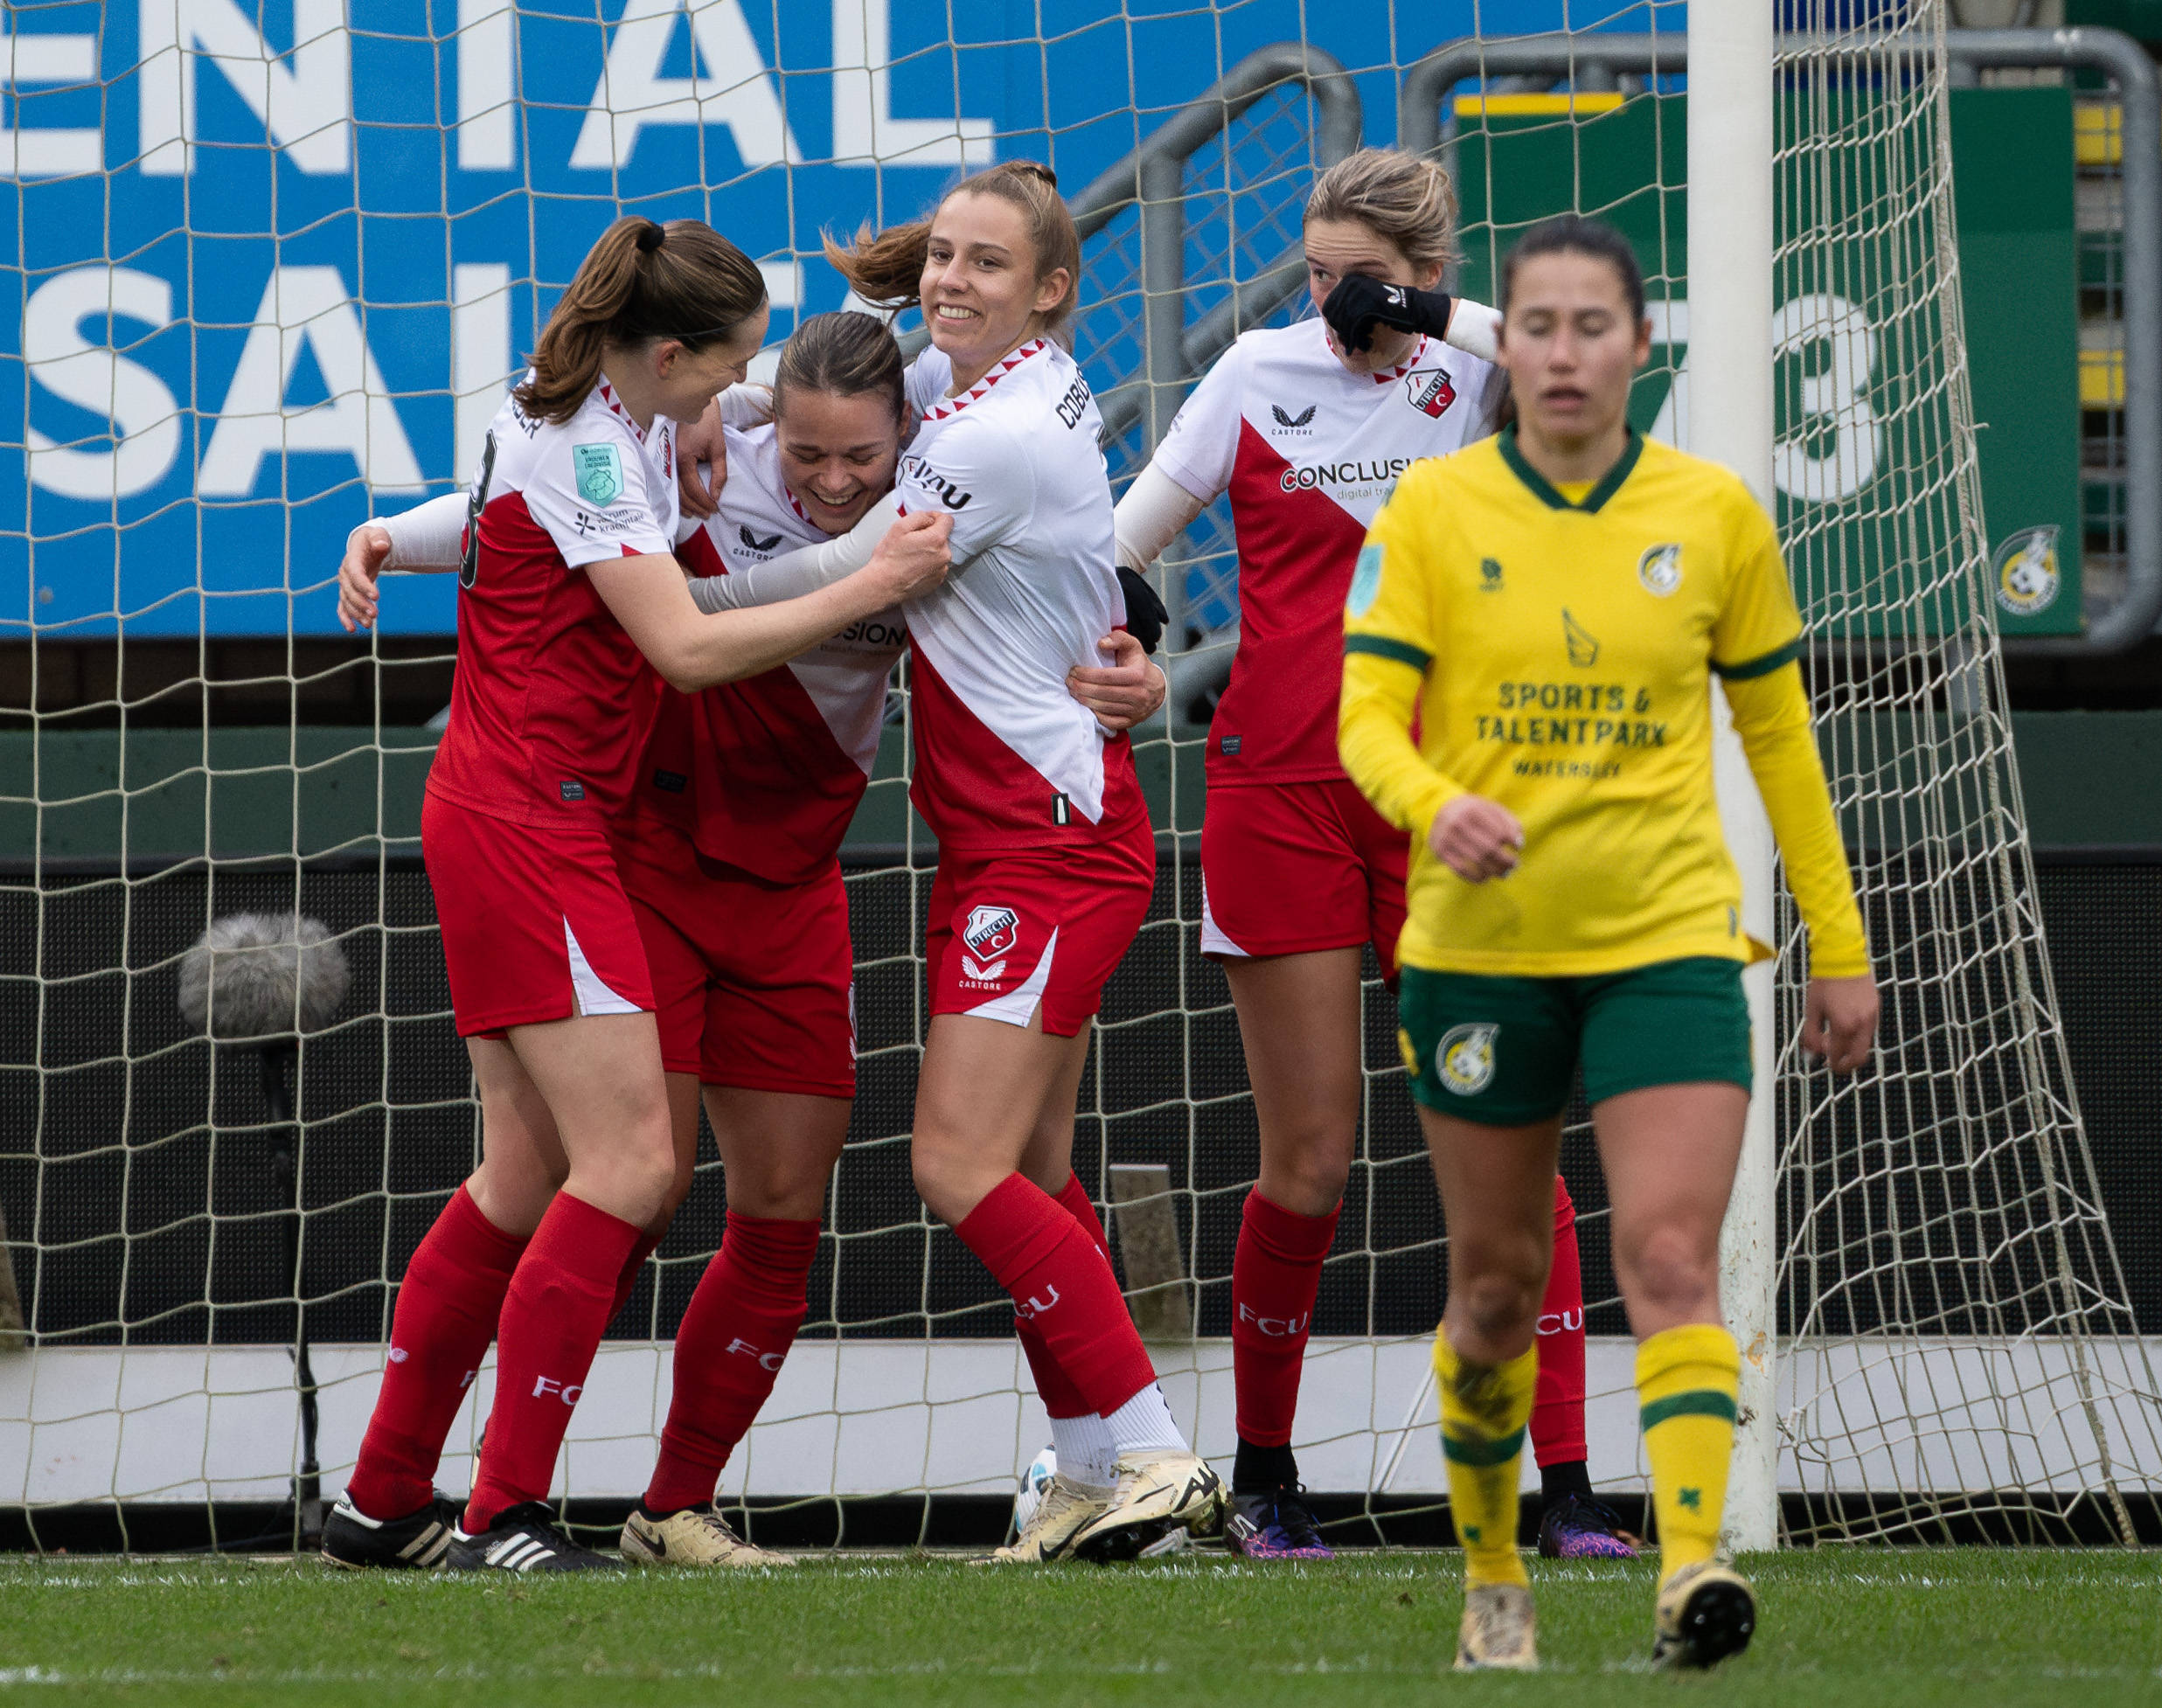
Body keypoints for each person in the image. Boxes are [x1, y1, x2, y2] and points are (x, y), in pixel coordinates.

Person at [316, 214, 953, 1575]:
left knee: (524, 1173)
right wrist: (876, 577)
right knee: (632, 1166)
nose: (736, 392)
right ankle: (503, 1513)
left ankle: (379, 1495)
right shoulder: (601, 444)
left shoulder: (590, 406)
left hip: (521, 811)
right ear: (666, 353)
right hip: (531, 819)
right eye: (723, 368)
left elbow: (516, 509)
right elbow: (683, 647)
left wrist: (390, 534)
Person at [1338, 212, 1879, 1670]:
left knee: (1668, 1255)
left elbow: (1780, 741)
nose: (1565, 352)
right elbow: (1363, 722)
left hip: (1668, 942)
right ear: (1500, 345)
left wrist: (1837, 940)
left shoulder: (1713, 515)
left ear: (1641, 346)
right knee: (1495, 1282)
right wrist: (1434, 803)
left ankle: (1689, 1568)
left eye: (1593, 326)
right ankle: (1493, 1580)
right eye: (1539, 325)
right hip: (1479, 955)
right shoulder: (1432, 511)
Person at [690, 161, 1224, 1564]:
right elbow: (844, 397)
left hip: (1046, 841)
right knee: (1032, 1171)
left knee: (954, 1160)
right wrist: (713, 407)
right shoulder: (978, 386)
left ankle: (1155, 1453)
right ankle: (1092, 1469)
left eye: (988, 263)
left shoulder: (987, 433)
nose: (950, 280)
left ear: (1050, 291)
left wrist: (669, 599)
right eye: (944, 255)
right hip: (1014, 831)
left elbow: (843, 567)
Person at [1110, 147, 1631, 1561]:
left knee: (1510, 1141)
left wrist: (1425, 316)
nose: (1330, 300)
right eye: (1315, 270)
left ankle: (1568, 1489)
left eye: (1359, 277)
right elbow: (1118, 544)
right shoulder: (1251, 372)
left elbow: (1587, 370)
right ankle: (1266, 1478)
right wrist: (1125, 645)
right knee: (1308, 1160)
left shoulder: (1478, 371)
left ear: (1421, 272)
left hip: (1449, 800)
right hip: (1278, 790)